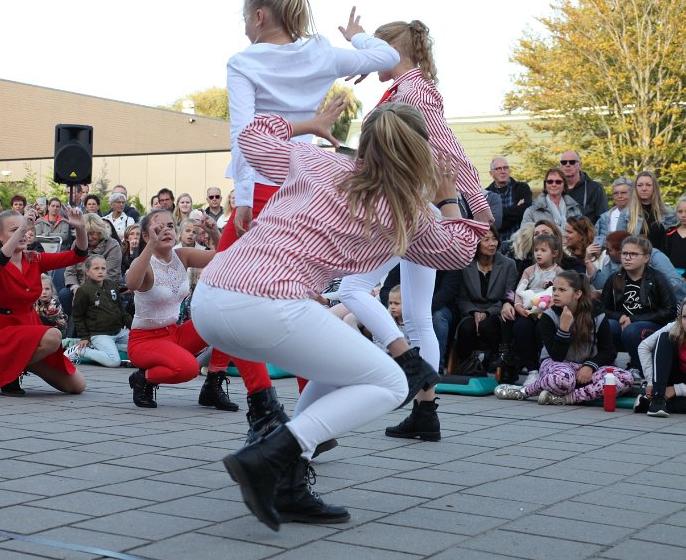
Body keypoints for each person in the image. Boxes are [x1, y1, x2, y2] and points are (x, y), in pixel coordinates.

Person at [191, 102, 485, 531]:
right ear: (419, 153)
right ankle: (274, 452)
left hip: (211, 298)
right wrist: (447, 196)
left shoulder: (313, 160)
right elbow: (460, 250)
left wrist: (306, 124)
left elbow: (251, 137)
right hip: (267, 303)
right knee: (390, 382)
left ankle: (289, 481)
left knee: (338, 365)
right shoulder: (407, 211)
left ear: (365, 142)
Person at [218, 0, 402, 439]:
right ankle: (310, 415)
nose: (243, 27)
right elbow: (386, 59)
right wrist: (358, 35)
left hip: (264, 181)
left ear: (260, 16)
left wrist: (243, 196)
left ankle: (263, 405)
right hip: (306, 182)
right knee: (295, 298)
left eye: (244, 17)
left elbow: (246, 135)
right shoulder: (321, 52)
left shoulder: (244, 62)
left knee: (223, 302)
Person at [337, 18, 492, 443]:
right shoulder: (409, 86)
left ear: (391, 50)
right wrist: (360, 45)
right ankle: (426, 411)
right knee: (419, 313)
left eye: (376, 51)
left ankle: (404, 362)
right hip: (413, 202)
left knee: (351, 290)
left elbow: (452, 152)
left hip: (407, 206)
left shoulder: (414, 91)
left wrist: (478, 207)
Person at [126, 208, 236, 411]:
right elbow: (132, 283)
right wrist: (151, 244)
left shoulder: (181, 256)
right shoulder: (144, 263)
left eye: (170, 226)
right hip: (144, 341)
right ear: (145, 235)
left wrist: (214, 233)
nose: (166, 230)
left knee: (224, 320)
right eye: (158, 227)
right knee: (188, 369)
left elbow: (223, 257)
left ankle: (213, 385)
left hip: (174, 333)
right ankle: (143, 378)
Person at [0, 208, 88, 397]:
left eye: (25, 228)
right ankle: (11, 372)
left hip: (30, 326)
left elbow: (77, 255)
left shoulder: (35, 259)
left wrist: (80, 229)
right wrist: (23, 229)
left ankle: (18, 366)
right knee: (54, 335)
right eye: (15, 229)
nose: (24, 232)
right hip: (3, 331)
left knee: (78, 386)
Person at [495, 271, 631, 405]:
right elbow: (557, 356)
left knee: (625, 378)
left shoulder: (597, 316)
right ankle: (525, 391)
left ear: (577, 294)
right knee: (562, 380)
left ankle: (565, 398)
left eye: (562, 290)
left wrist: (590, 366)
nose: (555, 293)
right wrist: (564, 328)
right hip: (558, 366)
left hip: (587, 368)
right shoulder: (549, 316)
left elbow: (609, 351)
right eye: (554, 289)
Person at [600, 235, 676, 373]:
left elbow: (670, 311)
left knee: (633, 330)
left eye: (633, 254)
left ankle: (638, 367)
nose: (627, 258)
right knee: (606, 325)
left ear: (646, 258)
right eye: (624, 253)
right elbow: (602, 309)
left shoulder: (657, 278)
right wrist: (620, 317)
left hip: (653, 326)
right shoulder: (614, 278)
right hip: (623, 324)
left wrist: (633, 319)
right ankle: (607, 365)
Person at [452, 227, 518, 377]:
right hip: (471, 311)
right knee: (467, 327)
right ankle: (467, 366)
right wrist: (475, 312)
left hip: (497, 311)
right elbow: (461, 298)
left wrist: (487, 313)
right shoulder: (465, 265)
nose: (492, 243)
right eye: (486, 239)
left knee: (488, 326)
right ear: (476, 243)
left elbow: (510, 294)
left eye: (494, 239)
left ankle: (496, 363)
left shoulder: (508, 264)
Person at [510, 233, 562, 381]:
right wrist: (518, 306)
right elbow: (519, 290)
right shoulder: (529, 270)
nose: (538, 253)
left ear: (554, 253)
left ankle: (544, 366)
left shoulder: (559, 273)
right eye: (536, 250)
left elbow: (561, 294)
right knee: (521, 327)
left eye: (543, 250)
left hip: (548, 312)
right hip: (528, 310)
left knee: (543, 330)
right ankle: (532, 370)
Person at [68, 255, 131, 368]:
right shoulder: (84, 290)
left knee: (141, 344)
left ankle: (111, 347)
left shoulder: (111, 285)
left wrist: (134, 328)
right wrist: (85, 337)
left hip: (118, 332)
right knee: (114, 361)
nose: (100, 271)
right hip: (100, 334)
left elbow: (121, 310)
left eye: (103, 268)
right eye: (96, 268)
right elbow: (78, 316)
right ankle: (82, 351)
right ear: (87, 272)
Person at [636, 301, 686, 416]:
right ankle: (658, 399)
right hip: (671, 377)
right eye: (685, 317)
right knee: (665, 337)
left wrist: (676, 389)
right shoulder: (673, 327)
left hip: (679, 387)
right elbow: (644, 346)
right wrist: (650, 381)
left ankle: (647, 403)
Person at [485, 157, 532, 249]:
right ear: (491, 173)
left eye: (505, 168)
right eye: (498, 169)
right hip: (496, 246)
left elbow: (525, 211)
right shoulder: (487, 195)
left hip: (520, 244)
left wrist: (498, 213)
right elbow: (490, 223)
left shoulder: (522, 188)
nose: (503, 171)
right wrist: (516, 210)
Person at [625, 170, 675, 253]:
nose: (644, 188)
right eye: (640, 185)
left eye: (648, 185)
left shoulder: (668, 213)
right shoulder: (627, 213)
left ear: (654, 187)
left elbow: (674, 243)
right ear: (635, 188)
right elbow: (620, 242)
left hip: (661, 261)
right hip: (635, 261)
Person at [558, 151, 607, 224]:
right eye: (564, 162)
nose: (567, 165)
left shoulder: (595, 188)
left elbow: (603, 220)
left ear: (580, 165)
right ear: (560, 166)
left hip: (588, 234)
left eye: (572, 162)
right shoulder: (554, 189)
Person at [593, 177, 632, 249]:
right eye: (615, 193)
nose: (619, 196)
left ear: (632, 194)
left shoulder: (639, 216)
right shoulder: (604, 218)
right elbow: (597, 243)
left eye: (623, 193)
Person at [564, 215, 598, 280]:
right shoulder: (564, 252)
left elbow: (597, 282)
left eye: (569, 232)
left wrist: (588, 260)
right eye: (566, 231)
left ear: (581, 235)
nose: (565, 235)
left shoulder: (599, 254)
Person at [666, 194, 686, 271]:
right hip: (671, 275)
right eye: (680, 212)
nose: (683, 215)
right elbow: (664, 255)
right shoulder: (670, 232)